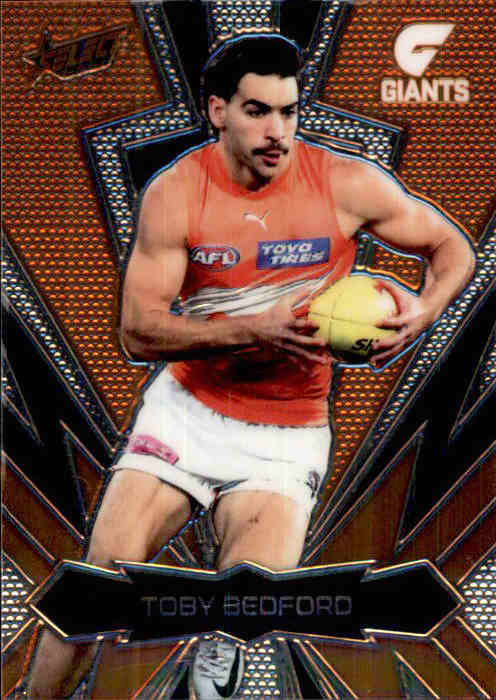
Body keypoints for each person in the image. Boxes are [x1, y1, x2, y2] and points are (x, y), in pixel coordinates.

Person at [26, 33, 475, 699]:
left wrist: (424, 311)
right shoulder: (176, 193)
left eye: (288, 112)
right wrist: (250, 329)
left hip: (287, 435)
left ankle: (219, 648)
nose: (277, 131)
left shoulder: (345, 183)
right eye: (257, 111)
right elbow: (137, 332)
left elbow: (451, 246)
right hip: (188, 415)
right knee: (95, 587)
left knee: (246, 603)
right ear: (218, 110)